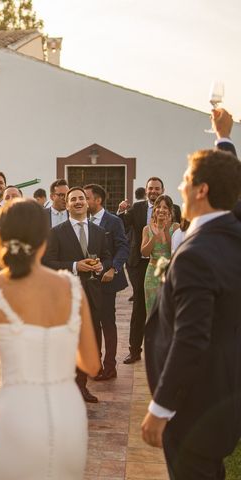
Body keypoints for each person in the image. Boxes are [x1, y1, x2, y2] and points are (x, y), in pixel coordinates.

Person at [0, 199, 101, 479]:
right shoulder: (71, 285)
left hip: (15, 411)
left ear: (0, 237)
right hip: (68, 413)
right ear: (44, 237)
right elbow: (91, 364)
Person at [141, 147, 241, 479]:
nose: (181, 187)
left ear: (202, 190)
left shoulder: (196, 254)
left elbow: (190, 338)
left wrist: (160, 407)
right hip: (224, 394)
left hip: (194, 405)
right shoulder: (232, 234)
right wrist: (223, 140)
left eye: (186, 180)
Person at [42, 187, 111, 403]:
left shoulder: (99, 232)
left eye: (81, 198)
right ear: (67, 205)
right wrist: (75, 265)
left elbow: (108, 257)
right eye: (73, 199)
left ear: (87, 203)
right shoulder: (56, 232)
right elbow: (48, 262)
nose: (78, 202)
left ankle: (81, 386)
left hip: (93, 294)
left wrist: (100, 266)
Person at [117, 177, 181, 364]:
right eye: (150, 188)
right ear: (146, 191)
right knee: (139, 306)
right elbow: (123, 224)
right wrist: (121, 210)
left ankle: (167, 346)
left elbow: (178, 239)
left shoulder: (175, 209)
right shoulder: (136, 208)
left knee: (168, 305)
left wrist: (164, 229)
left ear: (162, 189)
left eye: (157, 188)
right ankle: (134, 350)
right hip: (141, 264)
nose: (153, 191)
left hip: (167, 265)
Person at [84, 184, 130, 380]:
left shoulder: (114, 221)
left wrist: (114, 268)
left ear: (97, 200)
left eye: (86, 198)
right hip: (88, 281)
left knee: (107, 322)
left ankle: (110, 367)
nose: (83, 202)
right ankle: (95, 364)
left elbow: (123, 248)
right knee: (92, 324)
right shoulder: (82, 221)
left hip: (107, 280)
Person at [141, 195, 179, 315]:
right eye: (158, 207)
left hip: (170, 272)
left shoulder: (176, 227)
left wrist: (165, 230)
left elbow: (173, 250)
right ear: (154, 209)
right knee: (152, 311)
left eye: (165, 207)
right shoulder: (147, 229)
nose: (161, 210)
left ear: (170, 210)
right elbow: (144, 253)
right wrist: (155, 236)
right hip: (152, 273)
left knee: (169, 310)